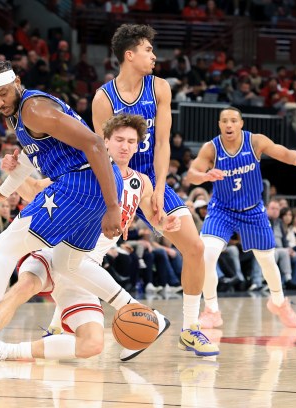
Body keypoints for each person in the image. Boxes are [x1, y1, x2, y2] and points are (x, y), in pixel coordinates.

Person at [0, 60, 122, 363]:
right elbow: (33, 158)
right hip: (94, 183)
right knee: (69, 262)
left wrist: (113, 206)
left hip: (83, 182)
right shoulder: (17, 113)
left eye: (3, 94)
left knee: (4, 246)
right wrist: (4, 190)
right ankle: (128, 305)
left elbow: (96, 144)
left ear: (17, 81)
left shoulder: (33, 108)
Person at [0, 114, 181, 366]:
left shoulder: (141, 183)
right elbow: (35, 189)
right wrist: (14, 174)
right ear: (105, 141)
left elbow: (155, 219)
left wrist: (165, 225)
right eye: (119, 139)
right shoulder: (86, 169)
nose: (125, 146)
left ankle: (2, 351)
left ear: (137, 145)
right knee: (24, 286)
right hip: (56, 251)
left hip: (88, 269)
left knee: (92, 345)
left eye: (131, 141)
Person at [92, 24, 209, 355]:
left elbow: (162, 143)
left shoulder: (159, 88)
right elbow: (101, 151)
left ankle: (190, 328)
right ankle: (60, 321)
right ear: (130, 55)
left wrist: (157, 189)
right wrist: (117, 197)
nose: (154, 56)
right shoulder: (103, 98)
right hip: (116, 180)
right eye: (148, 50)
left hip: (152, 178)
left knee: (195, 248)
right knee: (88, 254)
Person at [186, 106, 296, 329]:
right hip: (222, 210)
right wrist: (205, 175)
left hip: (252, 210)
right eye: (224, 121)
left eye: (233, 120)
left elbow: (282, 152)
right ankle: (212, 310)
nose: (229, 125)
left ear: (241, 123)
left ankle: (279, 302)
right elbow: (191, 174)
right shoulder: (211, 148)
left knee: (267, 260)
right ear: (219, 125)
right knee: (207, 254)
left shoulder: (255, 142)